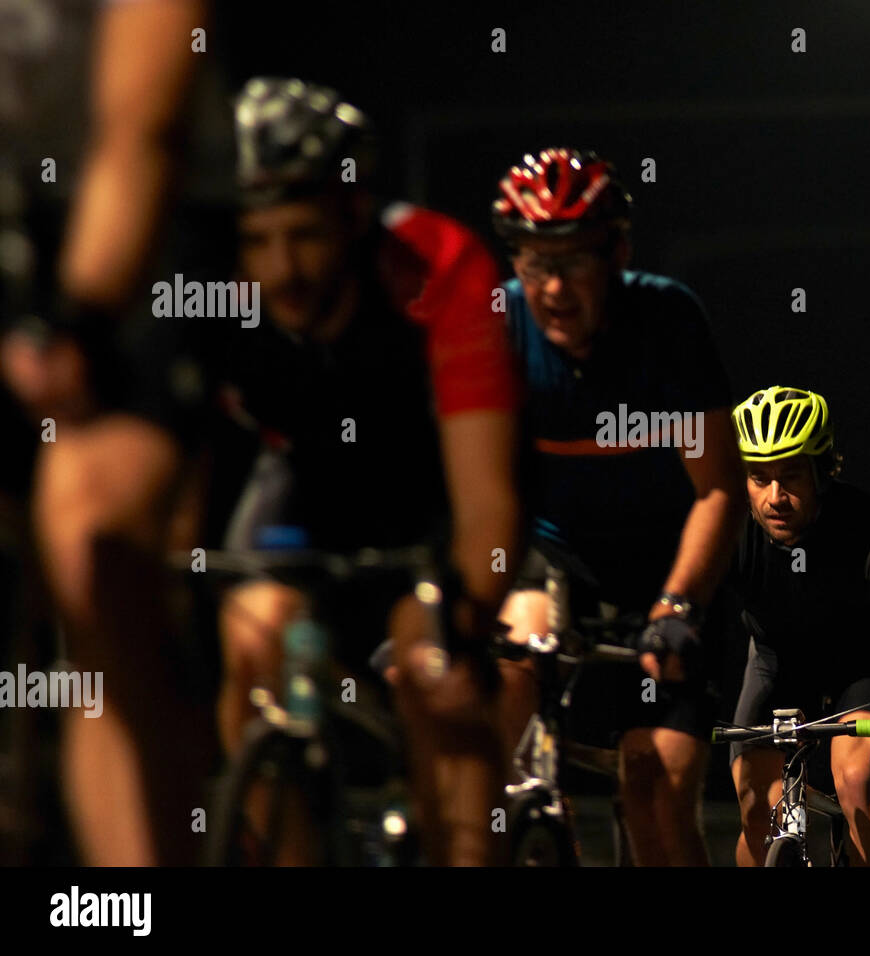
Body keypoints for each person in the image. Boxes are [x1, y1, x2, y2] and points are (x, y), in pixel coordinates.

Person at [214, 77, 521, 866]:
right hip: (310, 495)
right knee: (250, 641)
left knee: (434, 674)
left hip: (437, 499)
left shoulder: (439, 266)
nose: (282, 271)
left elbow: (488, 499)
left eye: (306, 236)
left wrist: (457, 613)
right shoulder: (209, 287)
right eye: (258, 241)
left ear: (354, 217)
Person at [0, 0, 218, 866]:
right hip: (16, 208)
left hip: (148, 204)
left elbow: (141, 126)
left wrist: (80, 324)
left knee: (90, 533)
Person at [491, 147, 746, 866]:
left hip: (668, 569)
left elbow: (720, 489)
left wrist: (679, 609)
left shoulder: (667, 321)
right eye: (534, 262)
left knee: (653, 790)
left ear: (618, 254)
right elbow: (475, 487)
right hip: (555, 556)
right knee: (499, 686)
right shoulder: (500, 322)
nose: (553, 287)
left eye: (573, 261)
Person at [727, 385, 870, 866]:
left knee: (859, 783)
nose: (775, 497)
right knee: (758, 809)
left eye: (791, 476)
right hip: (775, 669)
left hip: (856, 673)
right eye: (759, 478)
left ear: (822, 471)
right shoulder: (730, 528)